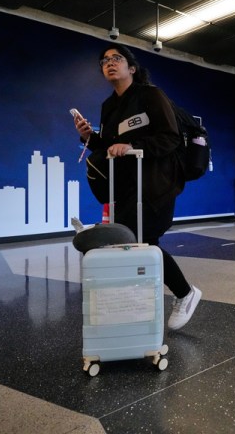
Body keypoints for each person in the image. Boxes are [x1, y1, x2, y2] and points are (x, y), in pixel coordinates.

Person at [74, 43, 201, 331]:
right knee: (132, 242)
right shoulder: (109, 107)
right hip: (127, 187)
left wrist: (133, 145)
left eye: (116, 58)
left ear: (131, 67)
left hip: (158, 183)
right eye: (104, 59)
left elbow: (169, 138)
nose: (109, 62)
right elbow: (109, 148)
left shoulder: (151, 96)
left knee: (142, 242)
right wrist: (89, 138)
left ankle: (185, 293)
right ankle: (151, 300)